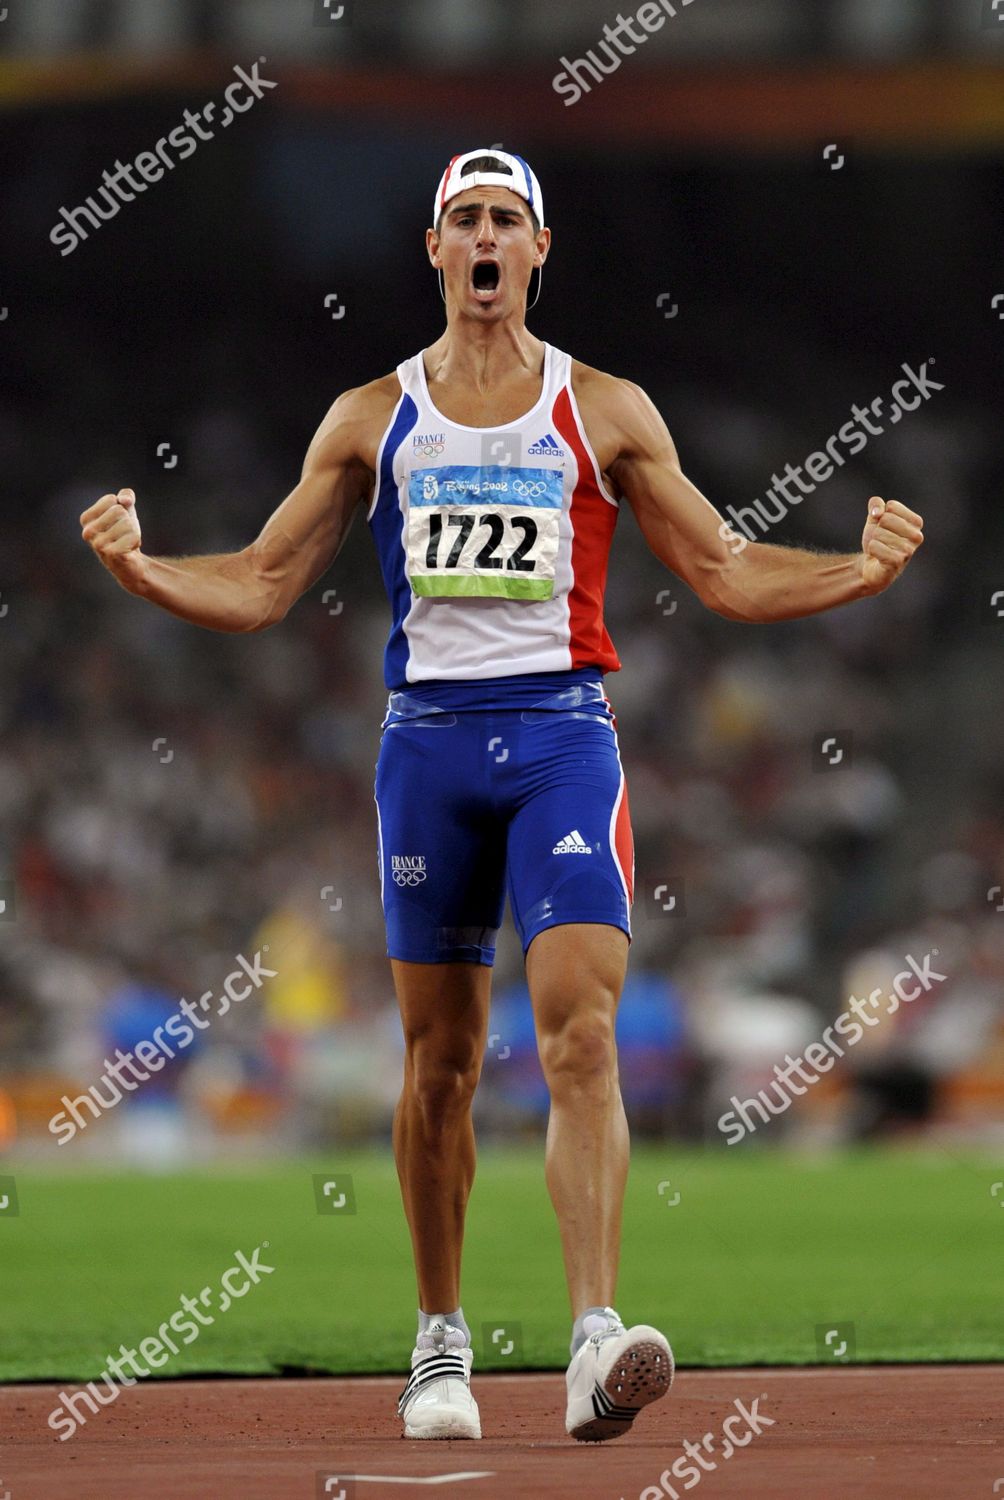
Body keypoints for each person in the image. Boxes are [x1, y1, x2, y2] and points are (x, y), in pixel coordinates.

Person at [79, 148, 925, 1443]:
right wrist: (143, 572)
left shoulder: (607, 409)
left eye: (506, 221)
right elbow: (257, 583)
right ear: (434, 249)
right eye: (464, 219)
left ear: (538, 252)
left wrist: (856, 575)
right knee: (442, 1062)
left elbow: (727, 567)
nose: (484, 239)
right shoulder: (371, 416)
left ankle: (595, 1339)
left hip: (558, 738)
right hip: (426, 747)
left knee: (580, 1032)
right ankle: (439, 1345)